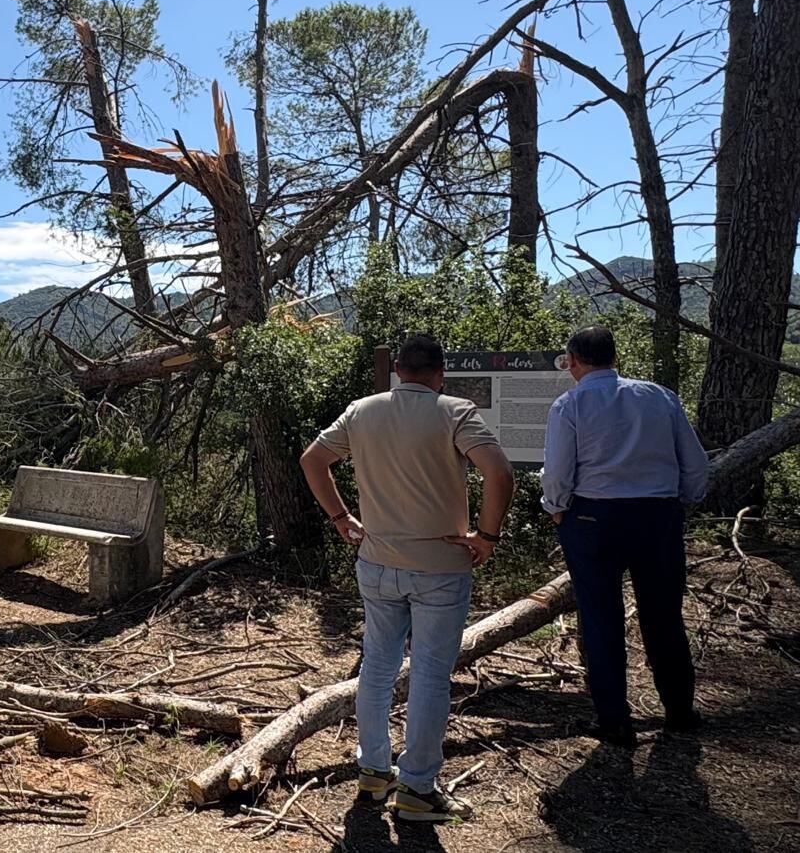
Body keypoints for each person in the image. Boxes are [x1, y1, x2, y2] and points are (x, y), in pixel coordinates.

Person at [301, 334, 514, 822]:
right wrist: (486, 536)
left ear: (398, 370)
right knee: (431, 677)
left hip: (376, 560)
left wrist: (341, 519)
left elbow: (312, 460)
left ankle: (374, 773)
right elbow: (499, 474)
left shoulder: (361, 411)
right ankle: (417, 788)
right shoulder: (455, 411)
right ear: (441, 372)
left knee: (377, 668)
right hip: (440, 566)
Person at [541, 325, 709, 747]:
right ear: (615, 358)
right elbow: (695, 463)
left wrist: (557, 509)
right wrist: (681, 501)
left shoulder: (569, 404)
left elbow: (559, 472)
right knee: (664, 614)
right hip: (657, 515)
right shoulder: (659, 397)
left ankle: (614, 719)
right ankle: (679, 711)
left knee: (600, 618)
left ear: (574, 361)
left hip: (593, 519)